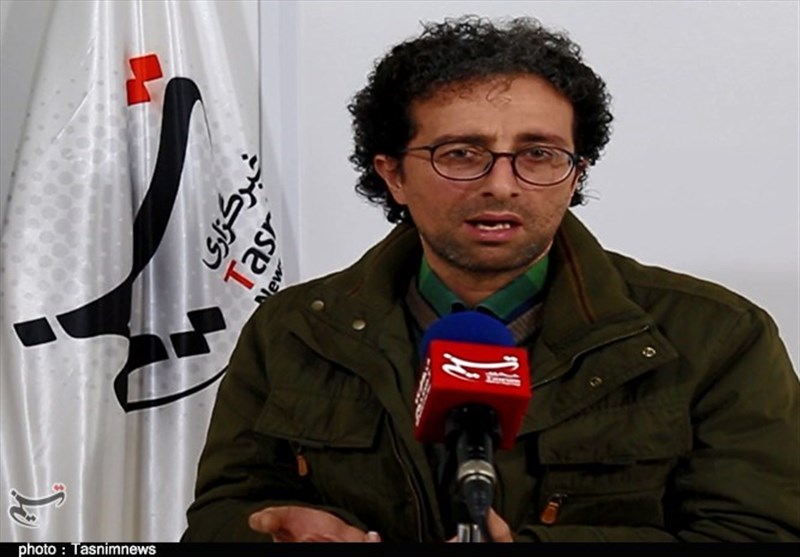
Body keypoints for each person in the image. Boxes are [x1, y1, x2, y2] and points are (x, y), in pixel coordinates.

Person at [182, 16, 800, 542]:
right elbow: (220, 515)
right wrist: (270, 529)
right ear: (393, 175)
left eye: (539, 154)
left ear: (577, 174)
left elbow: (761, 532)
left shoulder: (716, 336)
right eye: (460, 154)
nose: (501, 185)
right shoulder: (296, 329)